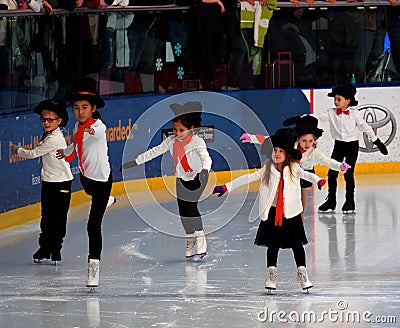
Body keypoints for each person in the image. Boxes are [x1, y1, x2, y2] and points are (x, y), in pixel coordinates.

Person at [212, 128, 326, 291]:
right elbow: (248, 177)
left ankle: (302, 273)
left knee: (297, 245)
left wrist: (319, 180)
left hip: (291, 213)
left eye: (281, 151)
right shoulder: (267, 169)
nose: (277, 154)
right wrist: (226, 187)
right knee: (273, 245)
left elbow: (307, 175)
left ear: (287, 153)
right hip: (273, 213)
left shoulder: (293, 168)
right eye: (275, 150)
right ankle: (271, 274)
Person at [121, 101, 212, 259]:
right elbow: (154, 152)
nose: (177, 133)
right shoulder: (171, 142)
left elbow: (206, 158)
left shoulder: (197, 142)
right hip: (181, 179)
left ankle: (201, 240)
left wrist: (205, 170)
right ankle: (190, 239)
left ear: (191, 129)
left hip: (198, 178)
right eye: (175, 130)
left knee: (191, 207)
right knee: (183, 212)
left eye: (181, 130)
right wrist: (134, 162)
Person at [56, 77, 113, 289]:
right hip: (86, 178)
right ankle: (108, 200)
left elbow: (98, 133)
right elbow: (76, 143)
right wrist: (67, 151)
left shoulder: (98, 126)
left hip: (102, 181)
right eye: (76, 108)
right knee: (90, 191)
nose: (80, 112)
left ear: (93, 108)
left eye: (85, 108)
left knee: (92, 225)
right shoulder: (76, 128)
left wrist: (91, 130)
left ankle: (93, 266)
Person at [240, 115, 351, 221]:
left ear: (314, 141)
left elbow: (327, 161)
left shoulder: (314, 152)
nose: (307, 144)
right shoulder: (290, 144)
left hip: (305, 173)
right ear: (298, 139)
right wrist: (251, 138)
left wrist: (340, 166)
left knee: (300, 197)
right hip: (290, 170)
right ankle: (282, 213)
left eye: (311, 141)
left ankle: (299, 220)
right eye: (304, 141)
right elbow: (269, 140)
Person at [10, 99, 72, 264]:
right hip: (49, 182)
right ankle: (45, 248)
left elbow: (33, 154)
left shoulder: (54, 139)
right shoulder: (49, 135)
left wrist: (17, 150)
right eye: (44, 119)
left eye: (50, 120)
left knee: (58, 217)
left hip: (62, 183)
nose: (46, 123)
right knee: (47, 217)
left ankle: (55, 248)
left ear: (59, 121)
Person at [314, 84, 388, 214]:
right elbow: (318, 117)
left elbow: (366, 127)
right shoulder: (331, 113)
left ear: (347, 101)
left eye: (339, 99)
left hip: (351, 147)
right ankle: (331, 201)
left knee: (348, 174)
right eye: (335, 99)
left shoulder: (355, 114)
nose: (336, 102)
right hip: (339, 146)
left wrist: (376, 141)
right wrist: (301, 118)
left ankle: (350, 202)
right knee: (332, 174)